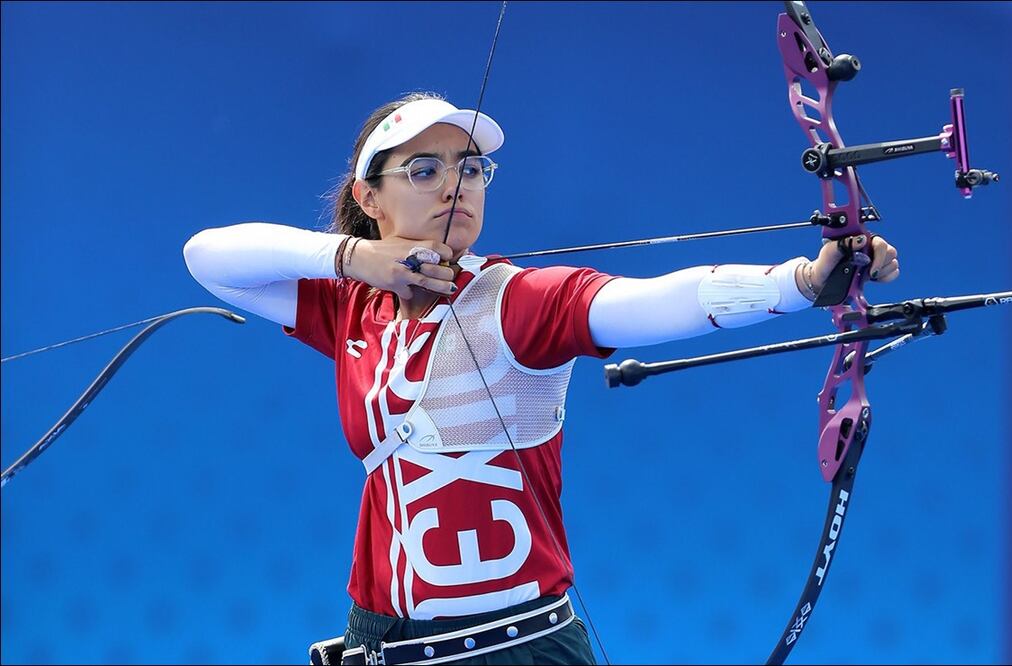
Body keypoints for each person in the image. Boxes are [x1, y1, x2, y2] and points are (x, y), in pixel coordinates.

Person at [183, 91, 899, 666]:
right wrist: (353, 259)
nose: (455, 185)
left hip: (517, 647)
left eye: (470, 168)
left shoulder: (517, 302)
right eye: (423, 170)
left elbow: (654, 301)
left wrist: (802, 282)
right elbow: (209, 257)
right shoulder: (352, 307)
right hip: (380, 643)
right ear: (369, 198)